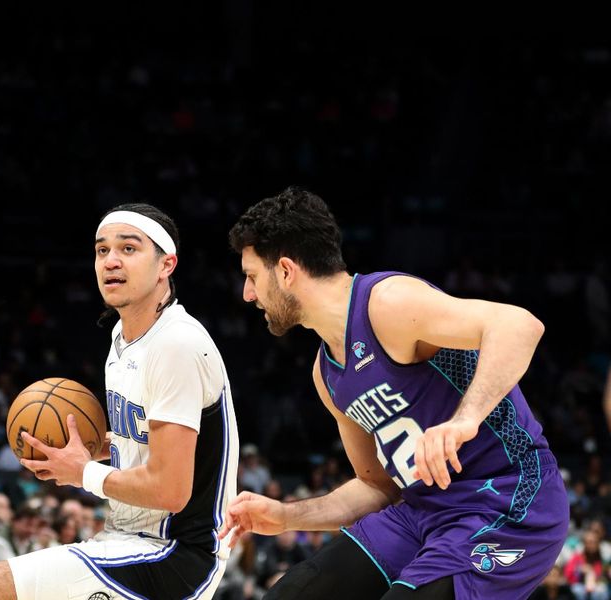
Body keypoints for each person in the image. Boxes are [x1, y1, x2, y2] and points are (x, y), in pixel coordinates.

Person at [221, 187, 569, 599]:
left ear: (285, 271)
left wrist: (463, 420)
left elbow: (519, 326)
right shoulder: (326, 374)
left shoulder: (387, 303)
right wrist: (285, 515)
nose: (247, 294)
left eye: (252, 276)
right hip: (421, 513)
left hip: (510, 498)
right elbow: (378, 488)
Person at [0, 203, 239, 599]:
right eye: (102, 250)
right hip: (126, 539)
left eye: (129, 249)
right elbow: (142, 441)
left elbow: (171, 489)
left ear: (166, 264)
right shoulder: (122, 337)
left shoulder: (177, 343)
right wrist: (82, 449)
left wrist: (83, 472)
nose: (111, 261)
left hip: (174, 554)